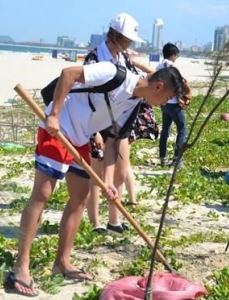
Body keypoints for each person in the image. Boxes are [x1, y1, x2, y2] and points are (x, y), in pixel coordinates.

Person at [5, 62, 187, 297]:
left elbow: (112, 142)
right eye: (167, 98)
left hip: (79, 138)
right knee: (42, 194)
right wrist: (55, 114)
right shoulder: (116, 74)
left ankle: (62, 262)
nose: (165, 104)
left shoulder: (134, 106)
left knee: (80, 197)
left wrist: (109, 181)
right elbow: (69, 74)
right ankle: (21, 266)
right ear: (158, 86)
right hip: (58, 127)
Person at [84, 13, 153, 235]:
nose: (129, 44)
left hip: (119, 125)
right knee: (97, 176)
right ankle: (96, 222)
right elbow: (86, 97)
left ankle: (114, 219)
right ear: (114, 35)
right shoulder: (94, 58)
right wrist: (94, 130)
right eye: (126, 39)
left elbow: (143, 83)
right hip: (96, 124)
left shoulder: (124, 59)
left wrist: (134, 59)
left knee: (120, 174)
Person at [157, 42, 186, 168]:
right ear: (173, 55)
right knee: (182, 127)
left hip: (164, 103)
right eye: (176, 55)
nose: (176, 58)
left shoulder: (158, 66)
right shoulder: (172, 67)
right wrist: (180, 98)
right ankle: (177, 159)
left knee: (165, 130)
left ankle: (163, 158)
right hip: (173, 103)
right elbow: (178, 84)